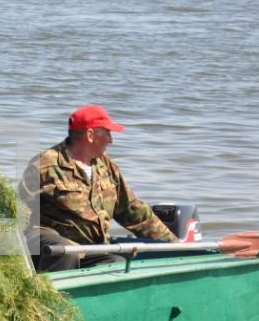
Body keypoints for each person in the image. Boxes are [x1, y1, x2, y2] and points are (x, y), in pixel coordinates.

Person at [20, 104, 177, 272]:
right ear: (90, 134)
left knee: (116, 263)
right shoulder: (45, 164)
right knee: (65, 252)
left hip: (90, 248)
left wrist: (177, 245)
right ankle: (50, 296)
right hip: (51, 245)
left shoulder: (107, 167)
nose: (111, 140)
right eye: (107, 133)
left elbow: (134, 212)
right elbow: (20, 214)